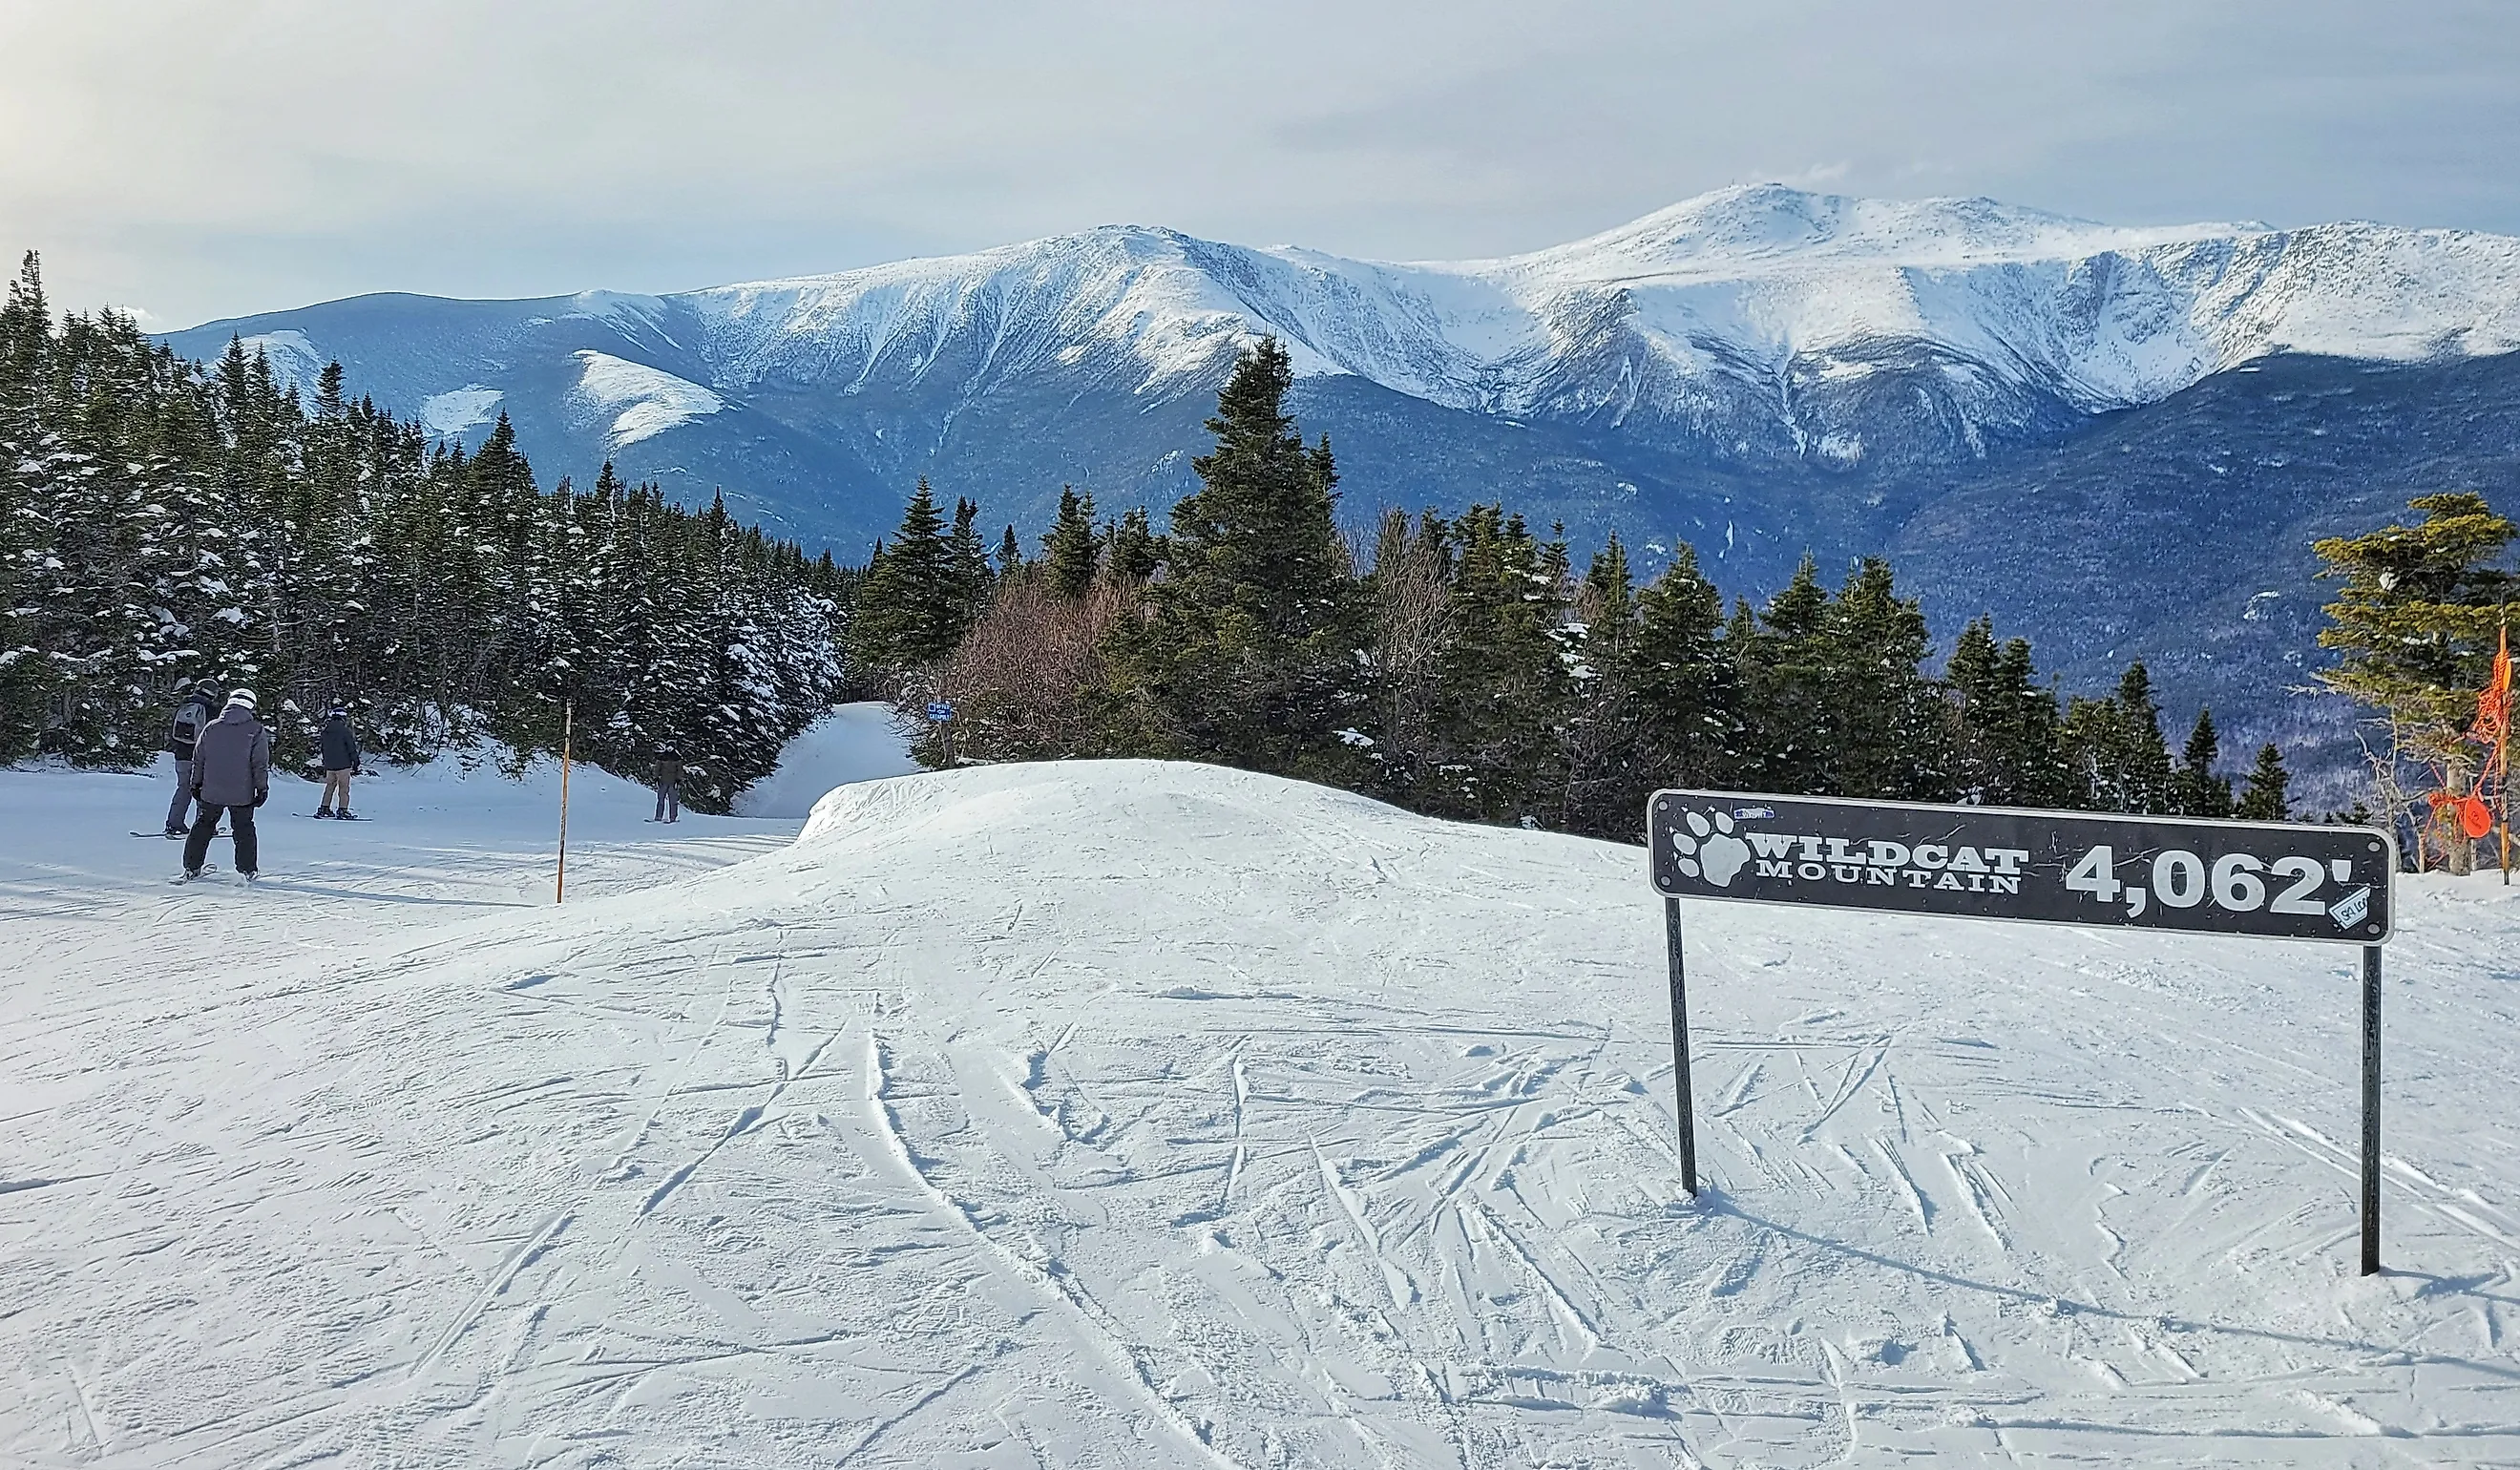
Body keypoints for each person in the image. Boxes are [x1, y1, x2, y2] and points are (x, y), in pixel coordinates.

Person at [180, 689, 270, 882]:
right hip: (242, 792)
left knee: (202, 826)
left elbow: (199, 759)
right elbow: (259, 763)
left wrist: (195, 784)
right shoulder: (255, 730)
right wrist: (262, 788)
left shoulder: (211, 727)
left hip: (211, 790)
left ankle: (191, 867)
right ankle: (248, 870)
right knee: (244, 828)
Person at [160, 685, 219, 837]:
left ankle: (174, 823)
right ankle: (204, 826)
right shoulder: (211, 710)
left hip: (181, 756)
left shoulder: (183, 707)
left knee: (183, 789)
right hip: (201, 758)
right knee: (204, 791)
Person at [316, 704, 362, 818]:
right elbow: (351, 747)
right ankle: (342, 810)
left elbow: (323, 747)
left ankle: (324, 808)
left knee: (329, 786)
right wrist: (355, 762)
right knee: (343, 788)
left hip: (330, 765)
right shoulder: (345, 731)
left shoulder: (326, 731)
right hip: (343, 764)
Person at [652, 743, 681, 824]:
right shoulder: (661, 757)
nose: (670, 749)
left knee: (673, 801)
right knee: (660, 800)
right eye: (668, 747)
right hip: (663, 781)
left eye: (671, 747)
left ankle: (673, 818)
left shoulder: (677, 758)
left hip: (673, 782)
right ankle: (658, 817)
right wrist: (656, 778)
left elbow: (680, 770)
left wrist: (678, 780)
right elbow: (657, 768)